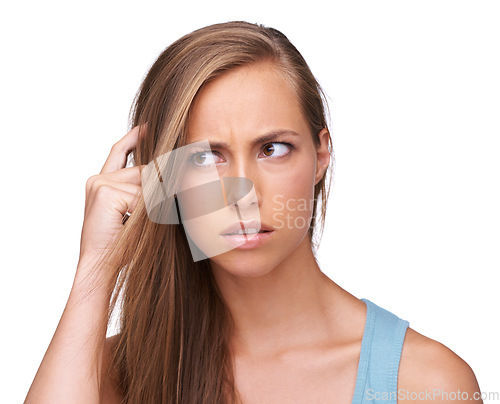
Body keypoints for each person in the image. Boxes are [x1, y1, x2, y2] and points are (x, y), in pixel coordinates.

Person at [25, 21, 482, 404]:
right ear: (159, 174)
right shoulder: (107, 377)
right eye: (205, 156)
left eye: (273, 149)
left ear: (322, 154)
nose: (242, 195)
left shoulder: (424, 383)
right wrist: (96, 266)